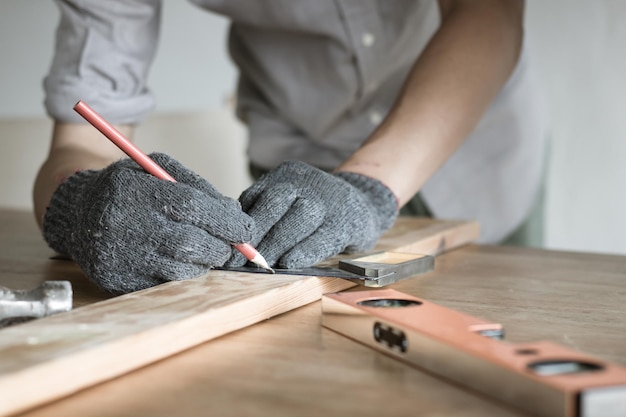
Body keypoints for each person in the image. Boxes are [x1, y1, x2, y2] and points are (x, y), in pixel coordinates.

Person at [34, 0, 548, 295]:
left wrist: (367, 186)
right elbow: (77, 141)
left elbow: (489, 14)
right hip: (293, 167)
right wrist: (79, 206)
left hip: (471, 149)